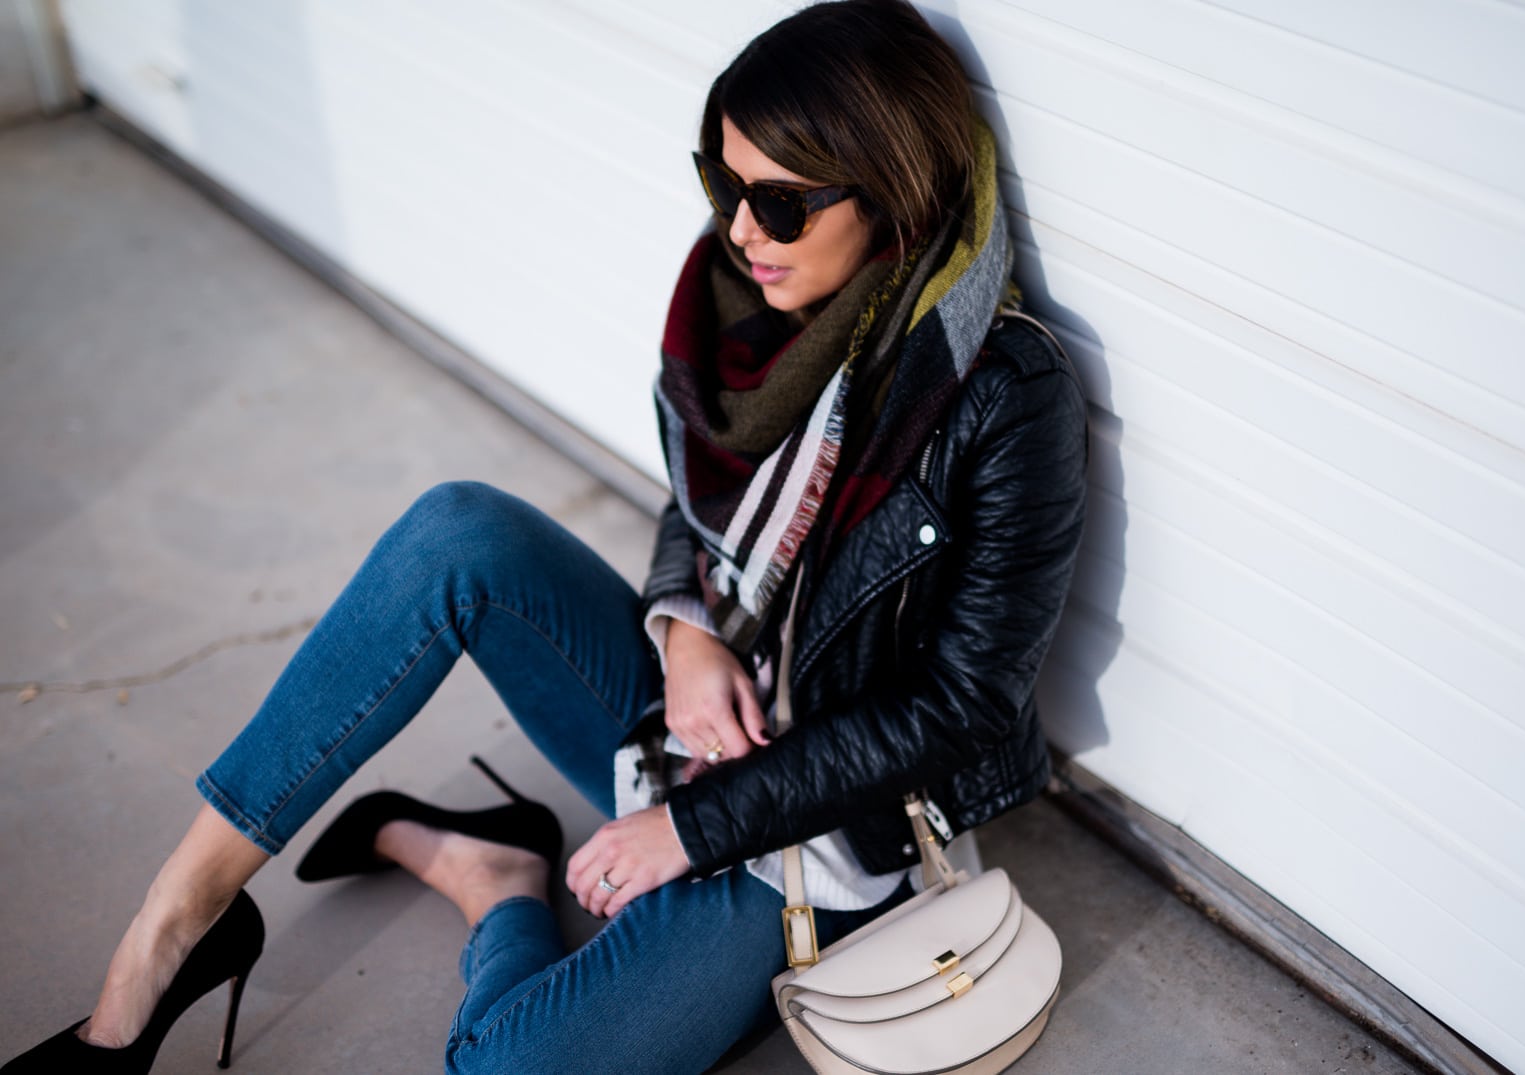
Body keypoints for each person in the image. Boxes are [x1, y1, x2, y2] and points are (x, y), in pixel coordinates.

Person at [3, 1, 1087, 1071]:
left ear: (893, 194)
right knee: (455, 533)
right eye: (722, 183)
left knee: (505, 1065)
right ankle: (175, 921)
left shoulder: (1002, 394)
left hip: (826, 839)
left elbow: (958, 709)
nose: (740, 230)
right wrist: (682, 632)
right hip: (699, 721)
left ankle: (496, 882)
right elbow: (698, 506)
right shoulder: (759, 298)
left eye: (781, 203)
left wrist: (691, 832)